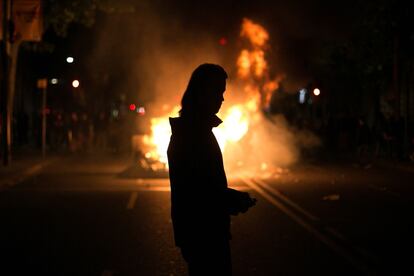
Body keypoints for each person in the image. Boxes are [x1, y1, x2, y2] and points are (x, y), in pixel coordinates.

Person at [167, 63, 256, 275]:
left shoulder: (195, 130)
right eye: (218, 91)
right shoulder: (193, 134)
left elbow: (204, 186)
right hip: (203, 234)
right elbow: (198, 192)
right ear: (202, 92)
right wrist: (233, 200)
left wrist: (232, 199)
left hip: (201, 233)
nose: (222, 98)